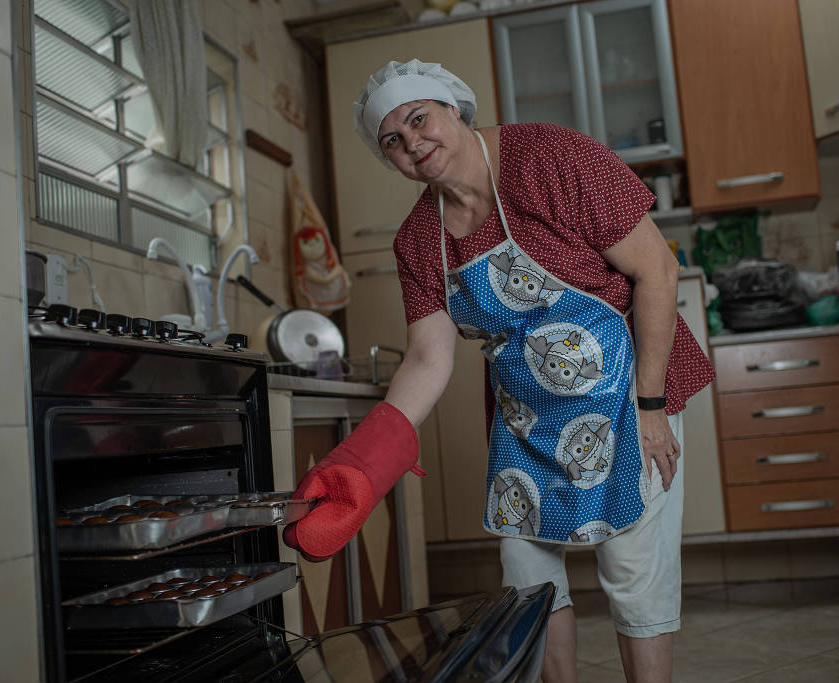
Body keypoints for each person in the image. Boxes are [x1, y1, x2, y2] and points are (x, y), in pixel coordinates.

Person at [283, 59, 715, 683]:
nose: (413, 143)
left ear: (452, 109)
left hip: (628, 395)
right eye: (393, 142)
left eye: (418, 119)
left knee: (632, 568)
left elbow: (658, 271)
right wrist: (360, 464)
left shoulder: (553, 157)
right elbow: (430, 357)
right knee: (527, 577)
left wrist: (651, 408)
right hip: (526, 420)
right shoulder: (416, 242)